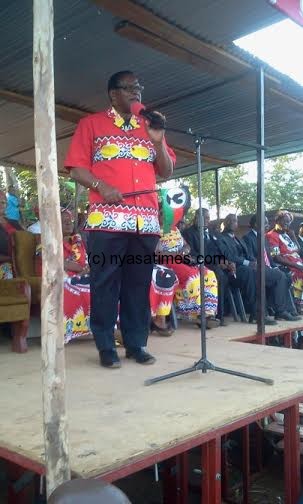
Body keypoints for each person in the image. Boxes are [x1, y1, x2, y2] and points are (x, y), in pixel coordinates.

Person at [64, 70, 175, 368]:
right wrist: (101, 186)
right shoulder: (91, 124)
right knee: (105, 283)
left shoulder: (149, 126)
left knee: (138, 285)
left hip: (146, 224)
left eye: (139, 87)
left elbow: (166, 171)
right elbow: (75, 168)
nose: (136, 92)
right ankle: (105, 346)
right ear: (113, 93)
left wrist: (159, 140)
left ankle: (136, 343)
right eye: (129, 88)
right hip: (107, 222)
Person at [220, 214, 277, 325]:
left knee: (262, 272)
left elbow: (248, 255)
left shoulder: (238, 239)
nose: (233, 222)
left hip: (245, 269)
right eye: (230, 220)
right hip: (232, 270)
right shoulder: (220, 238)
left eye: (235, 221)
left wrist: (255, 262)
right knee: (251, 273)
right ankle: (256, 315)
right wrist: (248, 263)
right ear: (225, 223)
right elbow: (229, 256)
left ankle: (265, 311)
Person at [243, 214, 300, 321]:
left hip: (268, 268)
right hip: (257, 269)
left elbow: (269, 257)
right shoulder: (248, 237)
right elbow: (250, 257)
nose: (267, 225)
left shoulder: (263, 237)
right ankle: (280, 311)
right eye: (265, 223)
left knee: (285, 275)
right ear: (256, 224)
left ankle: (288, 309)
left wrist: (274, 267)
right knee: (280, 276)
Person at [183, 208, 233, 324]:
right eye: (204, 218)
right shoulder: (188, 233)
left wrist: (226, 261)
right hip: (200, 264)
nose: (206, 220)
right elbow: (192, 254)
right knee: (220, 276)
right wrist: (215, 261)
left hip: (217, 264)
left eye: (208, 218)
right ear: (196, 218)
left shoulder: (212, 233)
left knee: (231, 275)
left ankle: (226, 311)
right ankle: (217, 315)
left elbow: (221, 250)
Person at [267, 211, 303, 314]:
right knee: (299, 273)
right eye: (285, 221)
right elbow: (276, 257)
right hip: (286, 264)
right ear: (277, 221)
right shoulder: (272, 235)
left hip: (297, 263)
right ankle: (297, 304)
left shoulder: (287, 235)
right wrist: (297, 266)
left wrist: (293, 237)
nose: (287, 224)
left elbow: (298, 250)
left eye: (289, 222)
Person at [0, 190, 22, 279]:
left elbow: (27, 238)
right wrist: (12, 259)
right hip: (5, 265)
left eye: (3, 202)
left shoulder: (14, 222)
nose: (1, 205)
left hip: (21, 262)